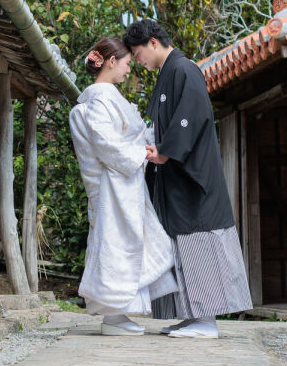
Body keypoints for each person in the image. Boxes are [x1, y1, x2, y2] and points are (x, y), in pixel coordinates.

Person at [123, 18, 252, 338]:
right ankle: (192, 316)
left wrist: (166, 150)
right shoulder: (169, 73)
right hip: (176, 179)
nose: (138, 61)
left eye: (138, 54)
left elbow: (191, 118)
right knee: (180, 246)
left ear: (153, 42)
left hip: (194, 180)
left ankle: (206, 320)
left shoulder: (184, 70)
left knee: (200, 243)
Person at [69, 36, 179, 335]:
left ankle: (117, 314)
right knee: (116, 245)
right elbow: (106, 144)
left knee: (125, 244)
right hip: (113, 185)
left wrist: (145, 143)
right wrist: (140, 152)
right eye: (127, 63)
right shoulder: (100, 99)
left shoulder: (105, 97)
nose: (129, 69)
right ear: (111, 61)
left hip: (121, 183)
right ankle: (113, 315)